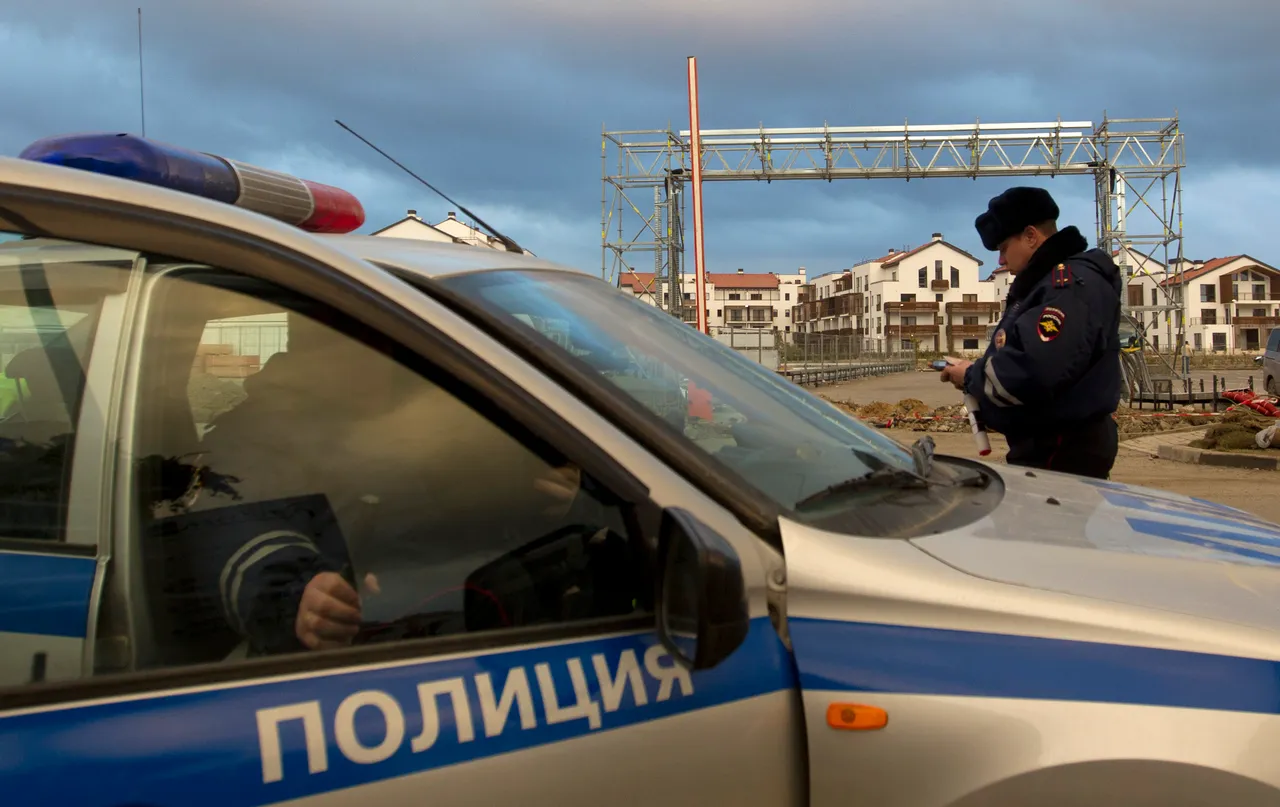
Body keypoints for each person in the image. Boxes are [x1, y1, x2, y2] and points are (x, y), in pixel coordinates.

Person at [940, 187, 1123, 479]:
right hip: (1053, 445)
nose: (1000, 261)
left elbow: (1032, 371)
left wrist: (971, 376)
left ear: (1030, 236)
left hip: (1060, 449)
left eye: (1002, 249)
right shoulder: (1050, 285)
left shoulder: (1066, 287)